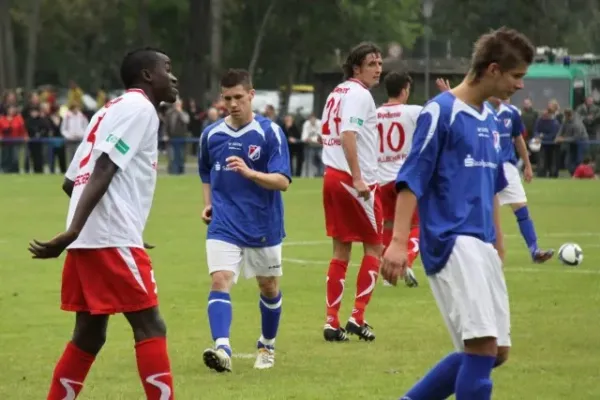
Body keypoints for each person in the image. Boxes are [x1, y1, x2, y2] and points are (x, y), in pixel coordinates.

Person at [382, 27, 534, 400]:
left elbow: (493, 183)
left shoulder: (490, 120)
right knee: (481, 347)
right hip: (452, 241)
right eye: (517, 76)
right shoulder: (441, 112)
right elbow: (411, 178)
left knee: (495, 352)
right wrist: (399, 242)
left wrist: (497, 240)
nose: (520, 86)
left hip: (481, 243)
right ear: (493, 69)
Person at [28, 47, 178, 400]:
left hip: (96, 237)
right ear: (146, 76)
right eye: (167, 69)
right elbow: (105, 167)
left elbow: (71, 181)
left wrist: (96, 226)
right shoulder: (140, 108)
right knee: (150, 324)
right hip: (106, 237)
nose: (173, 77)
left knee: (90, 334)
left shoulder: (107, 111)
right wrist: (79, 229)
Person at [198, 69, 291, 372]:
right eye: (227, 98)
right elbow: (205, 173)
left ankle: (267, 343)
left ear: (252, 95)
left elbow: (282, 181)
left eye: (239, 97)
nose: (233, 104)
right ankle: (222, 348)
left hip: (263, 224)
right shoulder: (211, 135)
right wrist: (208, 205)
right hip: (224, 223)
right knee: (219, 280)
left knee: (268, 287)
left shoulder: (269, 132)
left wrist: (250, 173)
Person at [321, 42, 383, 342]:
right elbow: (348, 134)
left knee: (341, 249)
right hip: (353, 181)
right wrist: (358, 178)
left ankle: (331, 321)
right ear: (356, 67)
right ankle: (357, 317)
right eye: (371, 63)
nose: (378, 68)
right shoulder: (360, 94)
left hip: (331, 176)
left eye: (380, 62)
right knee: (375, 247)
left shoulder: (337, 91)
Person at [487, 97, 554, 263]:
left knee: (521, 208)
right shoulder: (478, 109)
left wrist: (528, 165)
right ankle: (486, 253)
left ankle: (534, 250)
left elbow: (518, 139)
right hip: (486, 167)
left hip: (508, 167)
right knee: (484, 215)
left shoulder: (512, 113)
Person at [376, 71, 422, 288]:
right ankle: (407, 261)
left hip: (381, 179)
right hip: (405, 180)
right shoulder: (414, 112)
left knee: (388, 224)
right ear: (404, 90)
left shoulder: (374, 114)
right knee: (419, 224)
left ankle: (388, 274)